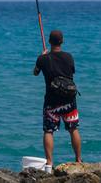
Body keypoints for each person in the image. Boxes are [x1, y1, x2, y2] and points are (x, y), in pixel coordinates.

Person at [33, 30, 82, 173]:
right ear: (62, 41)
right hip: (69, 100)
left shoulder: (43, 59)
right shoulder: (69, 57)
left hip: (51, 101)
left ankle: (49, 163)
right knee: (73, 129)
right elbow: (70, 72)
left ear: (49, 41)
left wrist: (42, 57)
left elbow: (35, 73)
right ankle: (78, 160)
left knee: (48, 131)